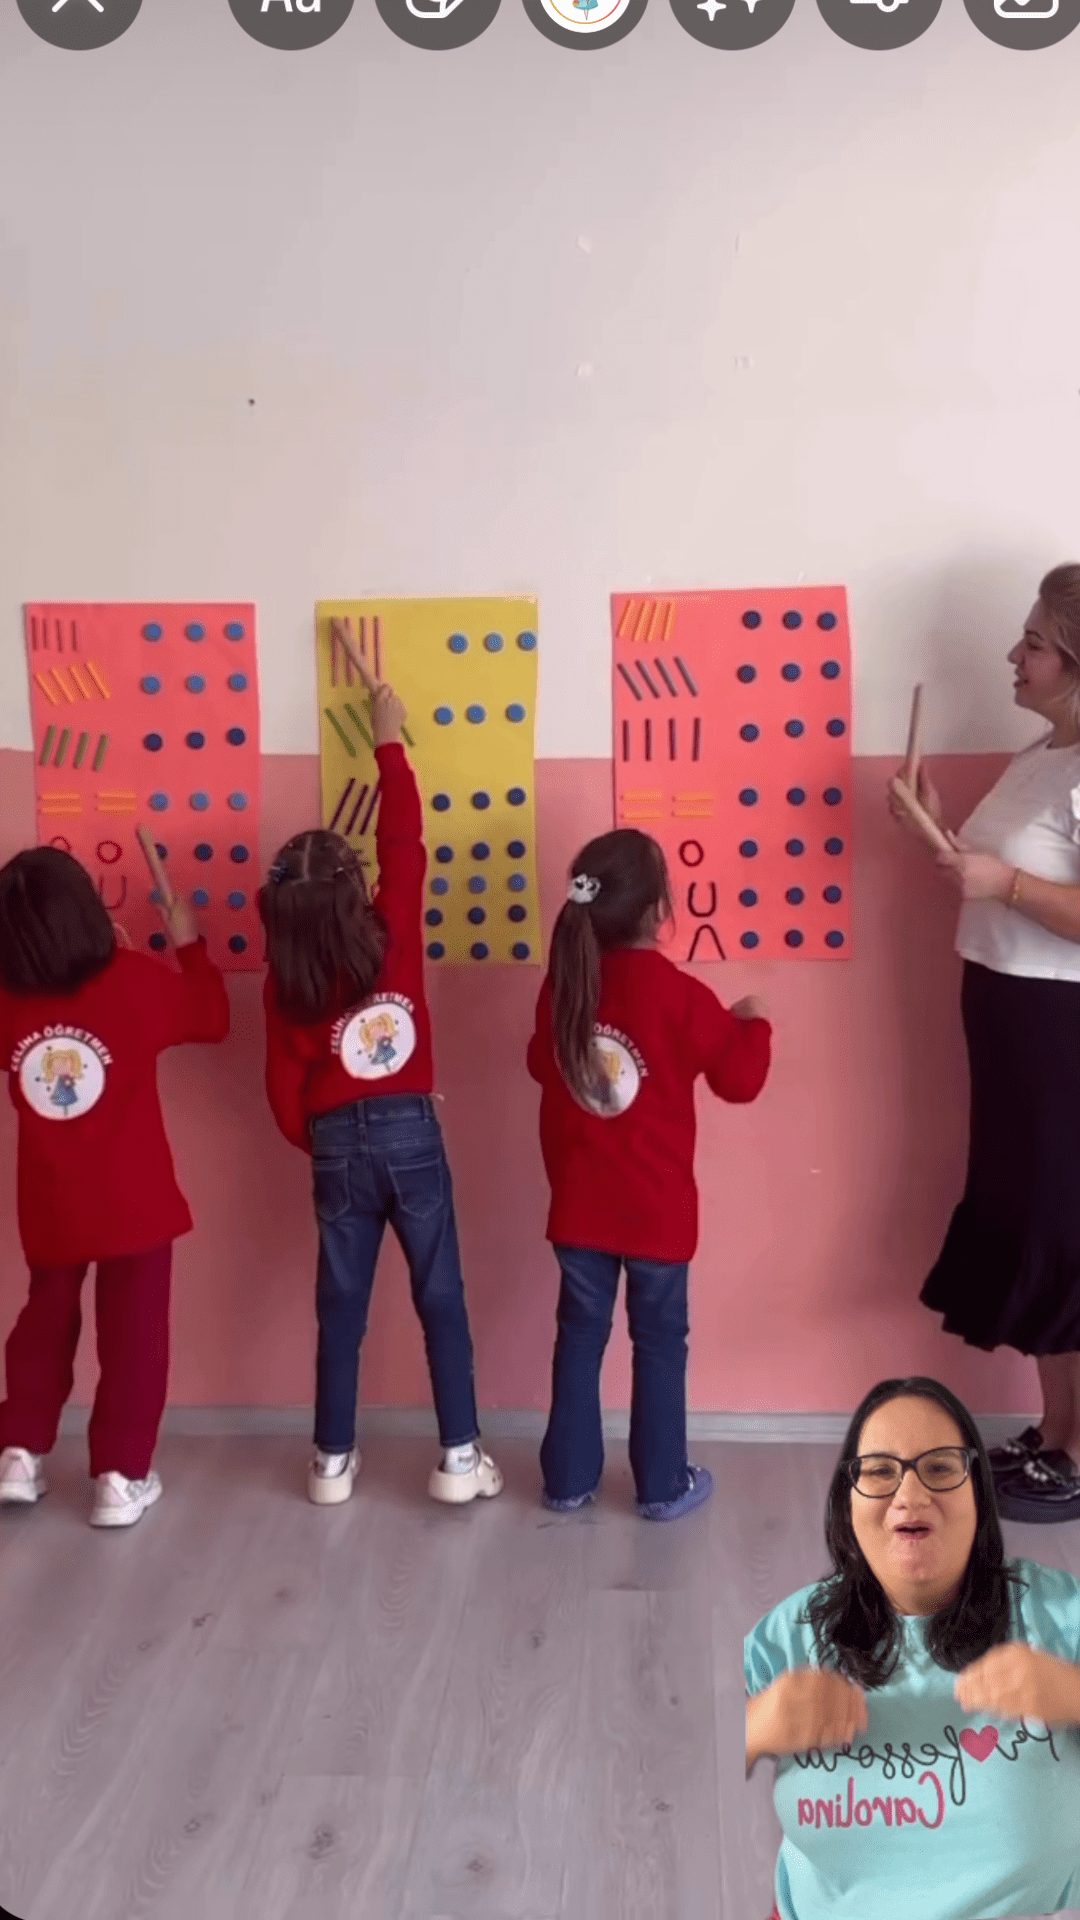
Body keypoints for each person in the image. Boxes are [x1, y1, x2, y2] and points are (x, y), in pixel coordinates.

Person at [259, 625, 502, 1510]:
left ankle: (330, 1461)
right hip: (411, 1133)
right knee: (441, 1297)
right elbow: (405, 838)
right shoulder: (392, 926)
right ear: (356, 888)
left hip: (335, 1145)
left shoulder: (284, 981)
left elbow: (282, 1092)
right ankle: (460, 1458)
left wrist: (327, 1136)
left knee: (341, 1308)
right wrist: (389, 740)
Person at [745, 1376, 1080, 1920]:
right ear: (847, 1502)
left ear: (979, 1495)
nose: (910, 1494)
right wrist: (756, 1725)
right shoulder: (788, 1633)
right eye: (880, 1471)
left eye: (940, 1468)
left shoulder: (1059, 1614)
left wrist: (1075, 1693)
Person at [889, 566, 1080, 1520]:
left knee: (1066, 1230)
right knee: (1039, 1224)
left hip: (1061, 1030)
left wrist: (1002, 883)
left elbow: (1020, 888)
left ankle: (1077, 1452)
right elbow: (995, 877)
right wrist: (931, 825)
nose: (1014, 654)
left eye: (1034, 642)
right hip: (1010, 1015)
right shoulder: (1043, 753)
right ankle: (1055, 1433)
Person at [527, 829, 772, 1520]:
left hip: (579, 1208)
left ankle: (566, 1481)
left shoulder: (565, 986)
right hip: (658, 1214)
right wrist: (755, 1024)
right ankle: (663, 1485)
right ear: (656, 908)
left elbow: (540, 1064)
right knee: (659, 1344)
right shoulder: (679, 994)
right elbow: (741, 1080)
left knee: (579, 1338)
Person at [0, 846, 229, 1527]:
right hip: (135, 1205)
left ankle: (18, 1452)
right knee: (135, 1339)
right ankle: (120, 1477)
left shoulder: (8, 999)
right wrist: (186, 941)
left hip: (51, 1204)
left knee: (42, 1324)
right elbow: (211, 1017)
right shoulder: (134, 981)